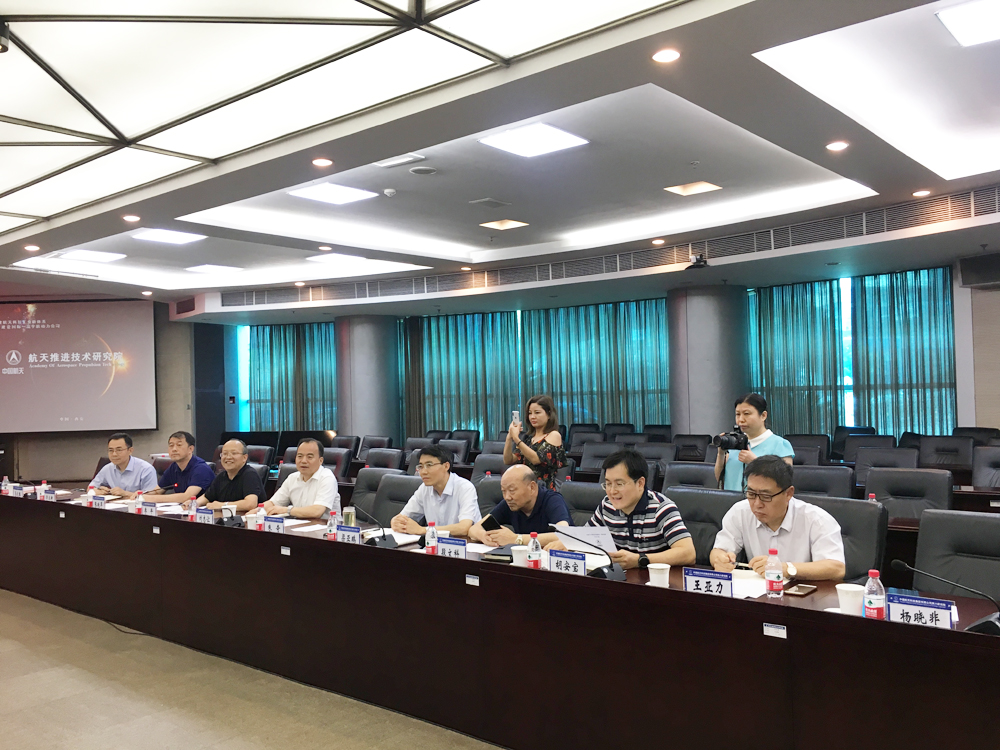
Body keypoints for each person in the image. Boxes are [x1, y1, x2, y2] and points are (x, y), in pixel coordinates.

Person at [547, 449, 695, 570]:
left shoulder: (661, 508)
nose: (612, 491)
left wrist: (640, 560)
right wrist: (570, 543)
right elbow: (587, 537)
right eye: (608, 484)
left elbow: (688, 553)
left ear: (640, 483)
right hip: (620, 580)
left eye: (619, 484)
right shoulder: (607, 505)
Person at [710, 455, 846, 581]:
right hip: (758, 592)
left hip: (802, 593)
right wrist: (720, 560)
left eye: (766, 496)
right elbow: (718, 551)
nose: (757, 504)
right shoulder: (740, 512)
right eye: (751, 493)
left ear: (788, 494)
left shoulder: (817, 519)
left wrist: (786, 569)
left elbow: (836, 568)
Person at [468, 464, 571, 547]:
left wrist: (516, 539)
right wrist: (484, 536)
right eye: (503, 491)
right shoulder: (510, 503)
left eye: (512, 490)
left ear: (532, 487)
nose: (507, 497)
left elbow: (564, 535)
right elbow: (474, 529)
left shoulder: (552, 500)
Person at [391, 444, 481, 537]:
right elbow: (402, 518)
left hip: (465, 543)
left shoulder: (465, 487)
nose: (423, 472)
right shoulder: (424, 488)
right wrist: (396, 522)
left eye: (429, 465)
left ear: (446, 466)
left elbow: (464, 528)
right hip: (435, 542)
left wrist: (422, 530)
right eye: (421, 466)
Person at [714, 393, 794, 492]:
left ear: (763, 415)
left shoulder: (780, 444)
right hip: (730, 500)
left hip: (761, 501)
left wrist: (755, 462)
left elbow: (785, 482)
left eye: (747, 414)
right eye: (738, 414)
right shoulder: (734, 443)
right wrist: (721, 454)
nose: (741, 420)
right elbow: (720, 479)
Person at [259, 438, 339, 520]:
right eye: (300, 456)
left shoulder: (327, 478)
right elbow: (273, 503)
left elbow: (317, 511)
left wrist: (286, 510)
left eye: (309, 457)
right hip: (300, 525)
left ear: (320, 460)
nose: (303, 461)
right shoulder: (292, 478)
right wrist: (257, 511)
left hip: (327, 526)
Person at [503, 394, 566, 491]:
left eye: (537, 413)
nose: (532, 417)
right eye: (530, 413)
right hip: (525, 489)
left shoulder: (554, 435)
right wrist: (509, 437)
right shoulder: (528, 439)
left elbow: (536, 459)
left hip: (543, 490)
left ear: (549, 414)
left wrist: (516, 439)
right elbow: (508, 460)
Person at [188, 439, 264, 513]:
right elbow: (207, 497)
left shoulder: (250, 474)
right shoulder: (221, 476)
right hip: (225, 518)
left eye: (234, 453)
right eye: (224, 454)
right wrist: (195, 503)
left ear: (244, 458)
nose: (228, 457)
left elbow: (250, 504)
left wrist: (222, 505)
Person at [145, 431, 216, 503]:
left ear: (190, 449)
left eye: (179, 445)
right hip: (181, 508)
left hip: (205, 508)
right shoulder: (174, 467)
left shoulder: (201, 469)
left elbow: (187, 497)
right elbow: (157, 491)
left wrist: (150, 498)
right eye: (171, 445)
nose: (174, 449)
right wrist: (141, 495)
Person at [89, 432, 158, 499]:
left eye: (119, 450)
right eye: (111, 450)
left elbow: (152, 497)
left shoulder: (146, 469)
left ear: (130, 451)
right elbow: (90, 488)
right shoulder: (108, 468)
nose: (114, 454)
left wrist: (125, 493)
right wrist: (97, 491)